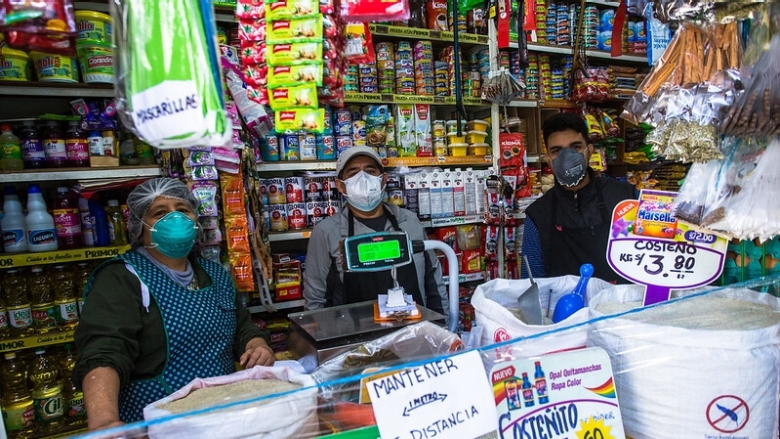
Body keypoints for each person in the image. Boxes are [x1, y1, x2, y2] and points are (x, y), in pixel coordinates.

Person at [73, 178, 274, 430]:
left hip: (222, 413)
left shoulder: (214, 272)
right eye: (160, 213)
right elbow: (105, 351)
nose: (175, 218)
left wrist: (256, 344)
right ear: (139, 226)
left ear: (195, 219)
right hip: (156, 421)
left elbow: (241, 325)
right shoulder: (122, 278)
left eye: (182, 210)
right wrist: (104, 421)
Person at [303, 146, 447, 316]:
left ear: (383, 180)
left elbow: (434, 282)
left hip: (416, 333)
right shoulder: (326, 233)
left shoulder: (409, 221)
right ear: (340, 186)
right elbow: (316, 301)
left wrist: (443, 326)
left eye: (370, 170)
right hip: (358, 339)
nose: (362, 178)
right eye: (353, 172)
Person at [521, 113, 636, 283]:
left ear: (589, 151)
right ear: (548, 160)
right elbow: (531, 281)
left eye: (575, 147)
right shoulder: (539, 215)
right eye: (557, 151)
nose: (566, 157)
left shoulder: (625, 198)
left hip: (619, 305)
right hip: (564, 308)